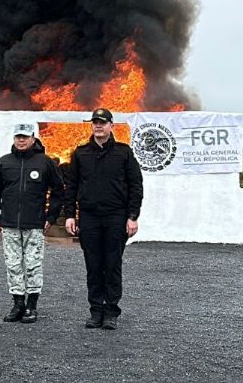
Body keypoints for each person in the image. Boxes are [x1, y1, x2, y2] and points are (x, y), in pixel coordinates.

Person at [64, 108, 143, 330]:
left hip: (116, 217)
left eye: (102, 122)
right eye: (95, 123)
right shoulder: (80, 154)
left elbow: (136, 186)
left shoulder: (123, 152)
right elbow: (71, 186)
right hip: (89, 217)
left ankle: (111, 312)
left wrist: (132, 216)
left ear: (111, 126)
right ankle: (95, 310)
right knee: (93, 265)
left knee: (113, 264)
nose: (98, 126)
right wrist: (71, 214)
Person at [0, 123, 65, 324]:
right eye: (17, 137)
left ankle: (32, 306)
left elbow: (58, 191)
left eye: (25, 137)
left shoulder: (45, 163)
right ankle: (17, 304)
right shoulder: (4, 163)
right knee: (13, 265)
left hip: (35, 225)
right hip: (10, 224)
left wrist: (51, 218)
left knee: (33, 265)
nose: (21, 140)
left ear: (33, 138)